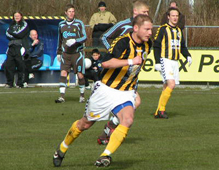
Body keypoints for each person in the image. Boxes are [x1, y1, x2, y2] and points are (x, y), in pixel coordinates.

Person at [53, 14, 153, 168]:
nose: (150, 33)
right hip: (106, 90)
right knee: (84, 124)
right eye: (147, 29)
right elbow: (105, 62)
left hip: (125, 92)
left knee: (128, 119)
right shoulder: (123, 42)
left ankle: (105, 156)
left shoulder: (148, 44)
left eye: (151, 29)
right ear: (136, 28)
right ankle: (62, 148)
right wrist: (130, 61)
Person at [98, 0, 150, 145]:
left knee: (136, 102)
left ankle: (108, 130)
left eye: (148, 13)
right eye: (144, 13)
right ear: (135, 12)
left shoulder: (144, 30)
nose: (147, 15)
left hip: (131, 72)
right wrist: (115, 55)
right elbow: (104, 37)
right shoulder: (123, 25)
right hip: (117, 71)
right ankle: (108, 130)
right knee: (130, 101)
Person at [153, 7, 192, 119]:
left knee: (166, 87)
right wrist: (157, 62)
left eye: (176, 16)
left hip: (175, 62)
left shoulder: (179, 30)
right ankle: (161, 110)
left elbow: (183, 46)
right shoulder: (163, 29)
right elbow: (156, 45)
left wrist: (187, 55)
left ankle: (158, 112)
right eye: (173, 15)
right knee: (171, 84)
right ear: (168, 17)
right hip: (165, 60)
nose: (175, 18)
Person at [55, 4, 87, 103]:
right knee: (63, 73)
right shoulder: (61, 24)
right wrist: (59, 52)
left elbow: (84, 37)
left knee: (80, 75)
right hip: (66, 54)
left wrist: (75, 40)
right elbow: (59, 39)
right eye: (69, 11)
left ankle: (82, 96)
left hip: (77, 53)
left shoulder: (79, 23)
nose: (71, 13)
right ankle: (62, 97)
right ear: (65, 13)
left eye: (73, 11)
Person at [5, 11, 30, 88]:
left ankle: (20, 83)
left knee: (20, 65)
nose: (16, 17)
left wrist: (12, 33)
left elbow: (20, 34)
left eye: (18, 15)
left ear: (21, 16)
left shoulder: (24, 24)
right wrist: (14, 35)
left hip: (20, 47)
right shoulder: (11, 25)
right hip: (11, 47)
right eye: (15, 16)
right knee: (8, 65)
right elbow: (7, 34)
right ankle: (9, 83)